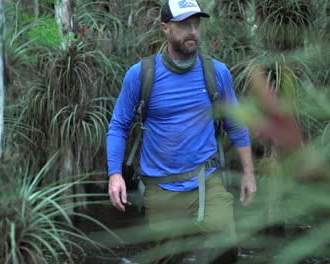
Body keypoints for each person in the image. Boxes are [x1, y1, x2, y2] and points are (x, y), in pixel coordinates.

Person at [107, 0, 256, 263]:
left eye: (196, 25)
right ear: (165, 28)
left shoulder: (216, 73)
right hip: (161, 187)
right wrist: (115, 174)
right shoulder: (141, 75)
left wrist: (249, 173)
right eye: (185, 25)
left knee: (226, 250)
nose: (193, 32)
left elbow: (235, 125)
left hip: (206, 181)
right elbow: (119, 125)